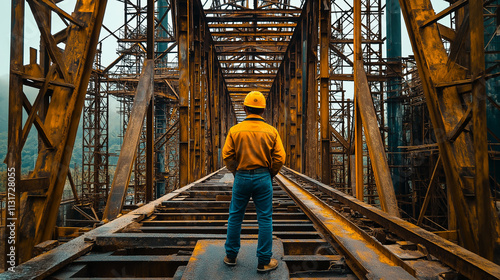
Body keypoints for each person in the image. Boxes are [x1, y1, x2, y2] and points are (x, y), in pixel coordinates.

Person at [222, 91, 286, 272]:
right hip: (263, 177)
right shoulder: (271, 131)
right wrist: (269, 173)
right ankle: (264, 261)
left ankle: (231, 256)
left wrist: (237, 170)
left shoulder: (235, 130)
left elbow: (227, 156)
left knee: (235, 216)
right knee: (265, 218)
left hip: (241, 176)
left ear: (244, 108)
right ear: (263, 110)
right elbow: (280, 158)